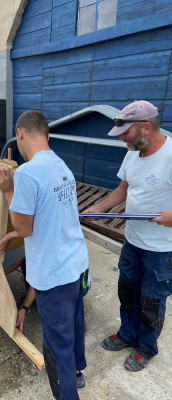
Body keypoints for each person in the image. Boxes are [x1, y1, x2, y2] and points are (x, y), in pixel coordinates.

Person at [0, 111, 89, 400]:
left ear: (20, 133)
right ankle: (78, 371)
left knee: (56, 349)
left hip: (54, 276)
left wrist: (8, 190)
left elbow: (23, 227)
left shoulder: (27, 172)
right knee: (74, 325)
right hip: (76, 264)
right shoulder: (61, 165)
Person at [84, 100, 172, 372]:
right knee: (127, 291)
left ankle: (146, 347)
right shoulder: (133, 152)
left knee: (151, 299)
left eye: (126, 133)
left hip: (161, 249)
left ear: (146, 127)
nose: (122, 139)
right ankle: (127, 334)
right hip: (132, 242)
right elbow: (122, 190)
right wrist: (96, 208)